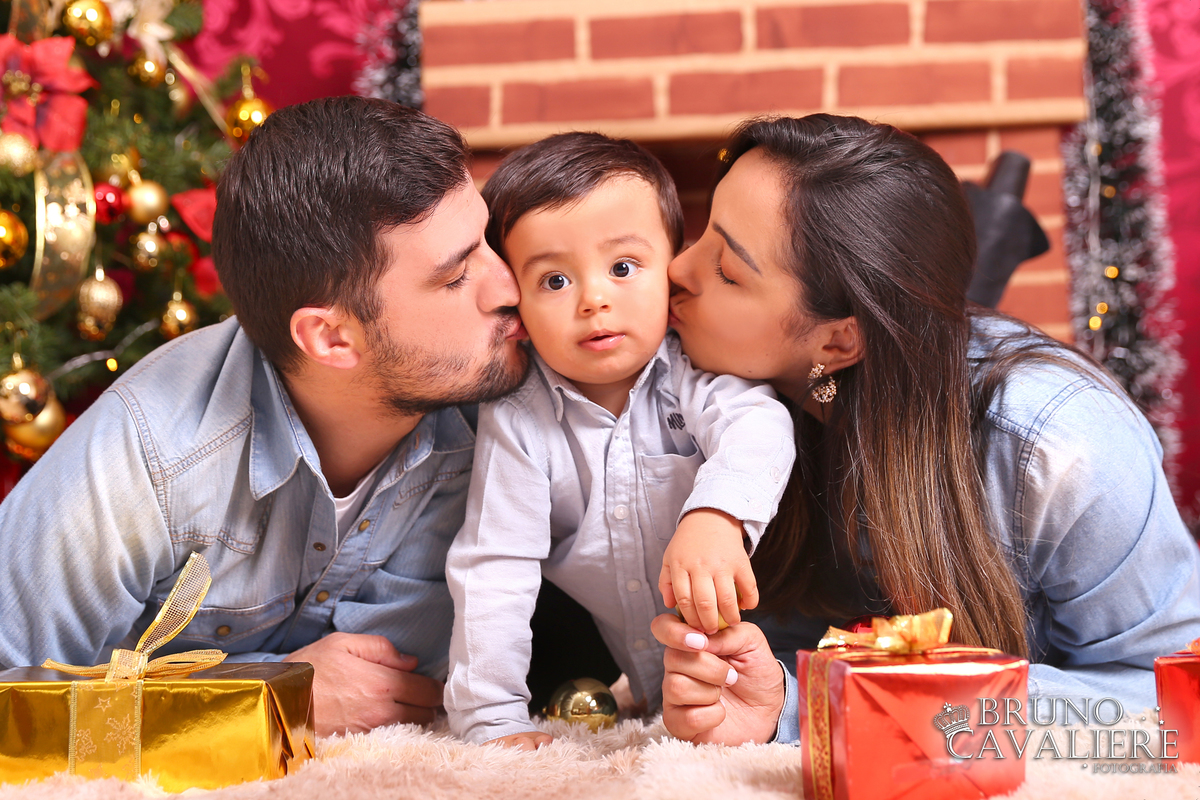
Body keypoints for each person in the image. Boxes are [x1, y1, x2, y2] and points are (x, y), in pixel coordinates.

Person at [650, 114, 1200, 745]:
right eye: (702, 233)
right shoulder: (727, 402)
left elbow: (1171, 696)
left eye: (727, 270)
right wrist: (767, 697)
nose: (677, 268)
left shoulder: (1059, 447)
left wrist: (868, 702)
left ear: (839, 341)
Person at [0, 97, 531, 736]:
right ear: (331, 338)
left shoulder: (496, 401)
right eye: (456, 276)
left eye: (488, 242)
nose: (510, 287)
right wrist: (262, 699)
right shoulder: (145, 458)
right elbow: (8, 698)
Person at [443, 133, 795, 749]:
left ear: (671, 271)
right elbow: (494, 568)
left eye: (623, 268)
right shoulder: (519, 417)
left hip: (768, 646)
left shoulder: (693, 368)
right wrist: (492, 720)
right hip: (636, 675)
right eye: (555, 280)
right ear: (516, 302)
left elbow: (758, 425)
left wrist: (717, 516)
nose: (595, 300)